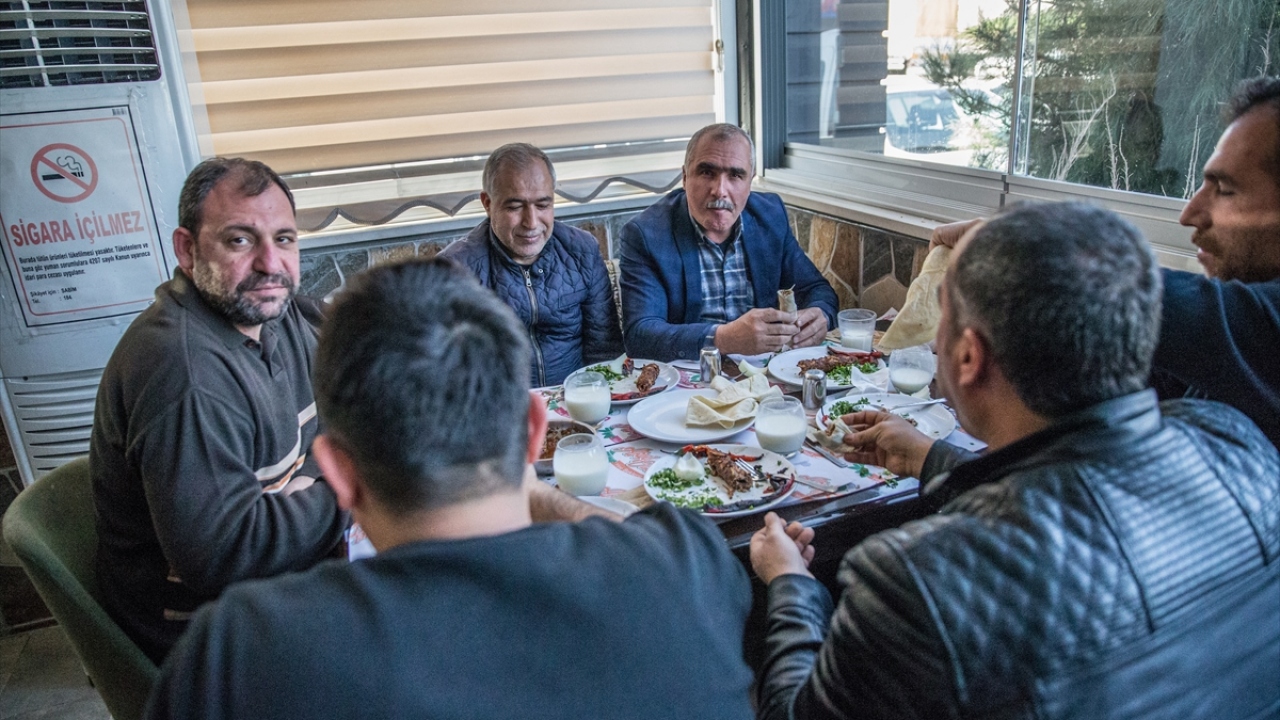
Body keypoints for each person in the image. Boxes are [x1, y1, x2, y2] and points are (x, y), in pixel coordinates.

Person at [145, 258, 756, 720]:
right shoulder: (689, 561)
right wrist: (536, 492)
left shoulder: (242, 653)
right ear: (532, 430)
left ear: (336, 472)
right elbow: (652, 550)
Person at [750, 201, 1280, 720]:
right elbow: (1070, 505)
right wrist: (934, 458)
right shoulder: (1236, 440)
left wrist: (790, 584)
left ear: (967, 357)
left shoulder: (912, 579)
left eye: (942, 322)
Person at [929, 76, 1280, 449]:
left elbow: (1112, 291)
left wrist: (1000, 247)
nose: (1190, 213)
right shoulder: (1222, 365)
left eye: (1225, 190)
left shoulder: (1257, 329)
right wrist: (933, 458)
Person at [91, 157, 347, 663]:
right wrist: (350, 489)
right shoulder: (184, 372)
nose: (271, 263)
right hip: (206, 639)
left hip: (276, 584)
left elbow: (355, 407)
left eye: (285, 239)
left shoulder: (277, 311)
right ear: (187, 250)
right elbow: (226, 554)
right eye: (239, 240)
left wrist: (308, 484)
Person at [618, 123, 838, 361]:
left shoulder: (770, 216)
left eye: (735, 175)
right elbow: (640, 335)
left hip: (764, 372)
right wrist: (723, 338)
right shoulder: (646, 233)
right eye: (706, 173)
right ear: (684, 177)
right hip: (690, 377)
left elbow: (816, 289)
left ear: (750, 181)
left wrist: (821, 315)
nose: (720, 190)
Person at [439, 143, 622, 386]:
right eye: (515, 207)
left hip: (578, 404)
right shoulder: (455, 270)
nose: (531, 222)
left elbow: (605, 352)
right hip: (502, 412)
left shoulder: (582, 251)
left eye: (543, 205)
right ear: (487, 203)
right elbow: (448, 373)